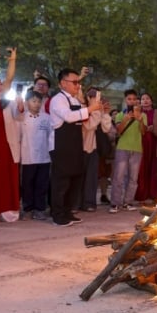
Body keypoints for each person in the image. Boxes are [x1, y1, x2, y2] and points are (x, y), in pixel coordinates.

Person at [49, 68, 101, 226]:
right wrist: (90, 109)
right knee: (61, 181)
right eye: (75, 82)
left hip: (76, 144)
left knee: (75, 179)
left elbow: (83, 120)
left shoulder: (75, 100)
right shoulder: (58, 99)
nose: (78, 85)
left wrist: (93, 109)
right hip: (61, 145)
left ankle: (68, 211)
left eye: (79, 82)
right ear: (63, 83)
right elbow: (69, 117)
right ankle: (58, 215)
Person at [0, 61, 23, 224]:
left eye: (0, 83)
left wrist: (21, 106)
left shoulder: (8, 103)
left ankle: (9, 211)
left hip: (8, 147)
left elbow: (18, 115)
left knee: (9, 179)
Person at [109, 89, 147, 213]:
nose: (132, 101)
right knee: (118, 177)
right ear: (125, 100)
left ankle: (128, 202)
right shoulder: (120, 115)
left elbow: (143, 132)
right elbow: (118, 131)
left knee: (133, 178)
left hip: (137, 149)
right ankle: (115, 203)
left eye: (134, 99)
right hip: (122, 148)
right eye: (129, 99)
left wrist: (140, 120)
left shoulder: (143, 115)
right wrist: (126, 119)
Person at [18, 90, 53, 221]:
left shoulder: (47, 118)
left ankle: (40, 209)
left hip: (44, 157)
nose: (37, 104)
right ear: (27, 103)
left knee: (41, 184)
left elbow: (51, 137)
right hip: (27, 157)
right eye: (33, 101)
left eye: (39, 101)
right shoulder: (21, 117)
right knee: (27, 184)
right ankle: (27, 209)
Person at [78, 87, 113, 212]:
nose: (95, 99)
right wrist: (96, 111)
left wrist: (105, 113)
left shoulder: (99, 110)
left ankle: (89, 203)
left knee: (92, 177)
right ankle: (77, 203)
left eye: (97, 96)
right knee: (79, 177)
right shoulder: (82, 109)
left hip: (93, 148)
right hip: (80, 148)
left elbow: (106, 128)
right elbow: (90, 125)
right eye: (92, 96)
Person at [135, 92, 157, 202]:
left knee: (153, 165)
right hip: (141, 142)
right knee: (141, 166)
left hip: (154, 141)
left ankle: (153, 192)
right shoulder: (137, 113)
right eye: (143, 99)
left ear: (151, 101)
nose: (145, 100)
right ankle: (141, 192)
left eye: (147, 98)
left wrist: (154, 127)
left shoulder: (156, 113)